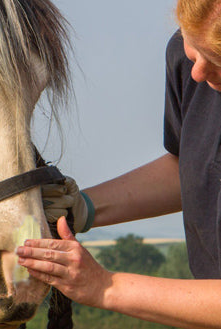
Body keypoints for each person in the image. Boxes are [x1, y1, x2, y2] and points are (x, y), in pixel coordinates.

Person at [16, 0, 221, 328]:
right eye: (192, 46)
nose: (197, 72)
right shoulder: (187, 63)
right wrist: (82, 206)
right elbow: (196, 169)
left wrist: (104, 287)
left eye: (216, 59)